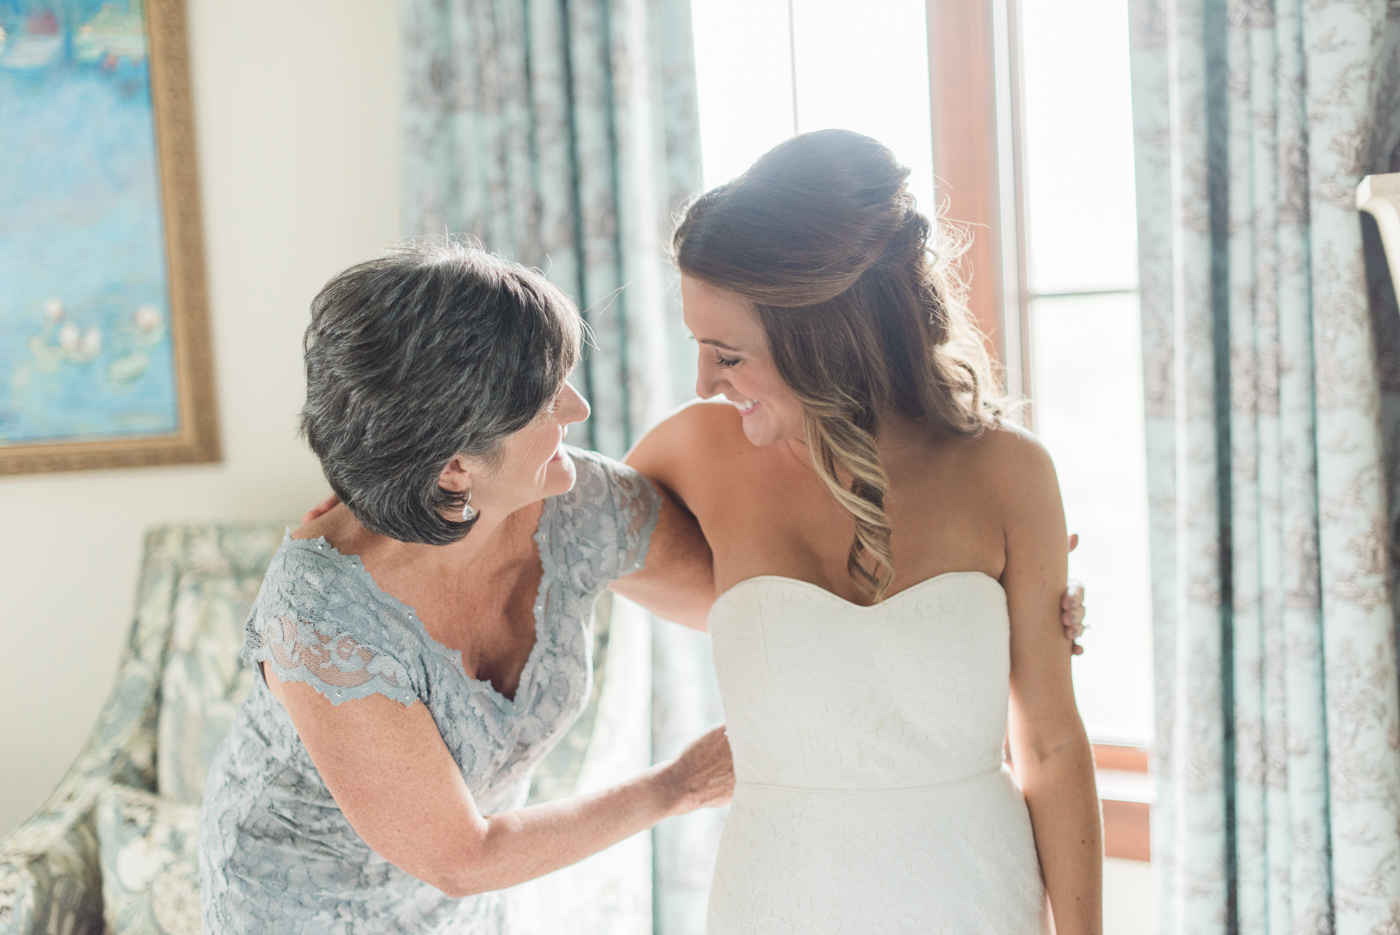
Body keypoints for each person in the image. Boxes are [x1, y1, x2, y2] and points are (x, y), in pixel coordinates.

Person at [625, 130, 1102, 933]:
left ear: (821, 337)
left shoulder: (1011, 474)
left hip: (977, 897)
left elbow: (1051, 745)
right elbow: (536, 514)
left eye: (727, 354)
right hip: (775, 900)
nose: (704, 380)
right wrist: (377, 507)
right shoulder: (694, 451)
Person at [198, 244, 732, 934]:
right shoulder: (322, 616)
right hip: (295, 904)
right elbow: (463, 856)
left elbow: (738, 601)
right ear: (453, 467)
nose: (579, 406)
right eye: (545, 398)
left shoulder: (579, 501)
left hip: (462, 907)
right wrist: (679, 785)